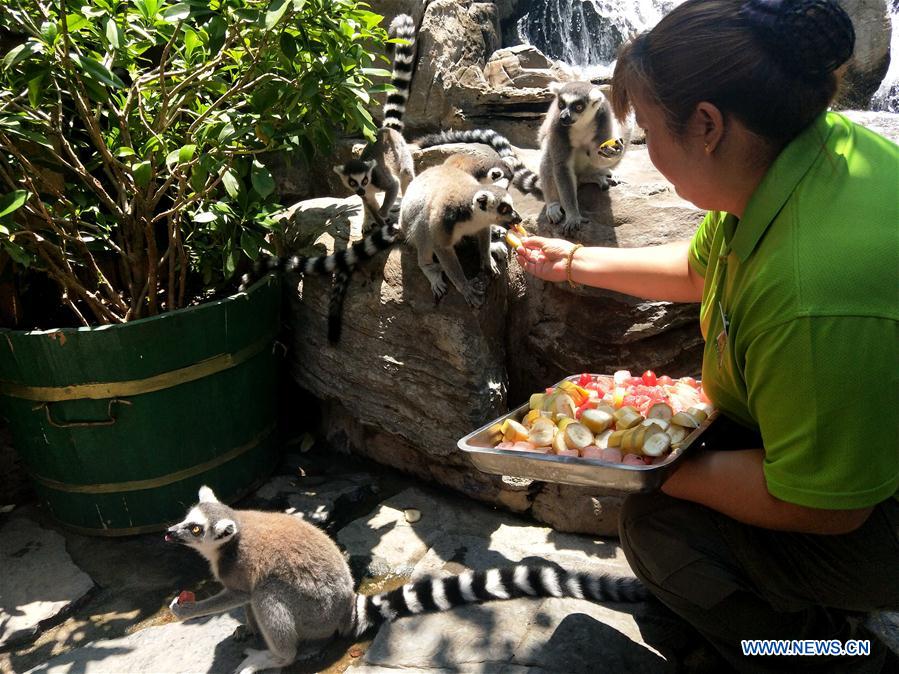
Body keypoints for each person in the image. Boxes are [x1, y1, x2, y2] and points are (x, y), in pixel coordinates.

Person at [515, 0, 898, 671]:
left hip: (869, 510)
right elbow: (699, 268)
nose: (644, 154)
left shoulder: (809, 295)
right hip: (864, 441)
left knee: (664, 532)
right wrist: (571, 261)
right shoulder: (805, 153)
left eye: (649, 133)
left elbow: (821, 510)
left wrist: (645, 465)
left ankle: (834, 654)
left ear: (706, 126)